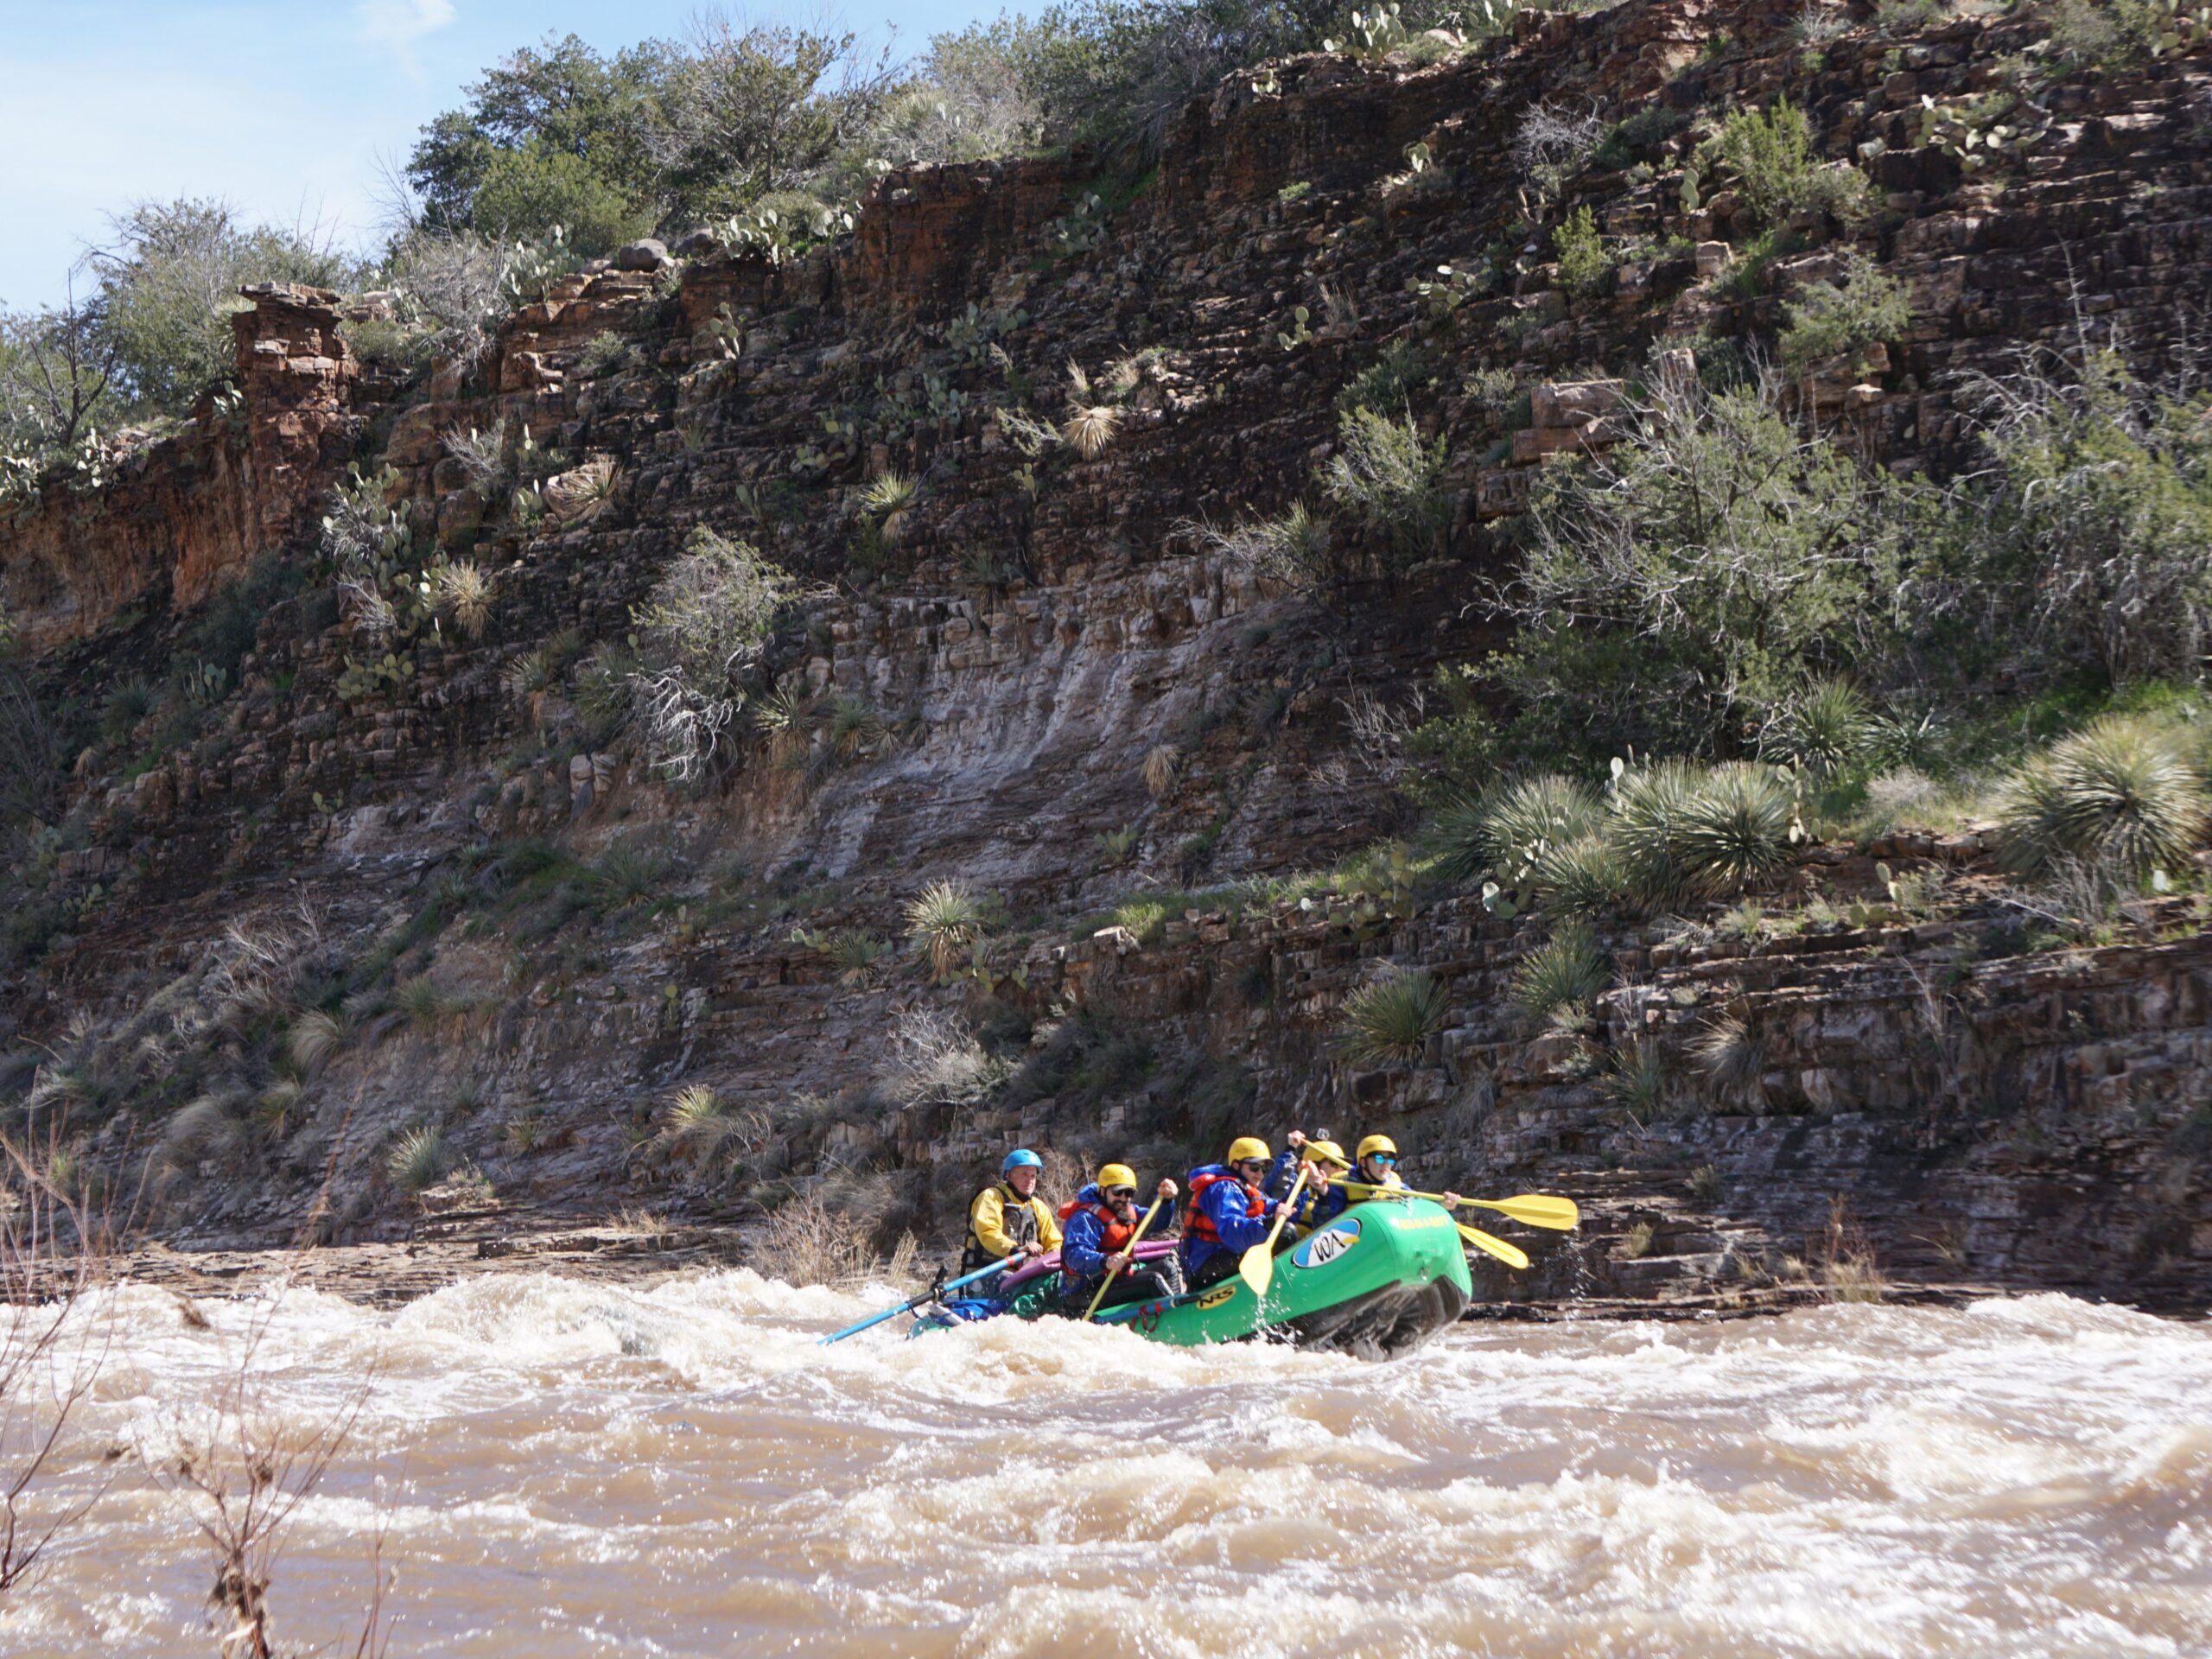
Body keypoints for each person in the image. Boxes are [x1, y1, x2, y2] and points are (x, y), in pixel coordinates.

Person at [1058, 1163, 1184, 1313]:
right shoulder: (1084, 1217)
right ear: (1103, 1191)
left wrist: (1166, 1201)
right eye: (1118, 1192)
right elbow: (1074, 1257)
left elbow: (1159, 1222)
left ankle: (1172, 1308)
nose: (1124, 1198)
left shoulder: (1129, 1211)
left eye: (1129, 1193)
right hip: (1085, 1293)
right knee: (1152, 1280)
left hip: (1115, 1281)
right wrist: (1105, 1261)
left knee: (1167, 1267)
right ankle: (1177, 1314)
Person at [1180, 1136, 1297, 1290]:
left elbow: (1280, 1208)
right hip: (1204, 1265)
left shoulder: (1247, 1190)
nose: (1260, 1174)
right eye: (1255, 1167)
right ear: (1236, 1165)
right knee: (1285, 1233)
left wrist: (1302, 1188)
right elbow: (1232, 1234)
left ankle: (1283, 1285)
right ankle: (1286, 1288)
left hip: (1223, 1255)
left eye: (1264, 1169)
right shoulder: (1225, 1188)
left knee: (1286, 1230)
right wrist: (1268, 1222)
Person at [961, 1148, 1062, 1274]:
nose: (1029, 1180)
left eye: (1033, 1176)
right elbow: (988, 1232)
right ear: (1008, 1175)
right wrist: (1016, 1249)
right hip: (988, 1273)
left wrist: (1053, 1253)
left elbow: (1054, 1240)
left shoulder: (1038, 1207)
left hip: (1022, 1275)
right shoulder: (991, 1197)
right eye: (1023, 1174)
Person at [1346, 1134, 1460, 1209]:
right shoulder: (1343, 1185)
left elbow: (1419, 1203)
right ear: (1362, 1162)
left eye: (1390, 1160)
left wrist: (1443, 1205)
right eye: (1379, 1159)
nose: (1386, 1164)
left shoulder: (1396, 1184)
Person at [1270, 1132, 1355, 1231]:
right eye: (1335, 1164)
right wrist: (1291, 1148)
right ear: (1315, 1165)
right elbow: (1278, 1187)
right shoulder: (1297, 1187)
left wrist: (1324, 1193)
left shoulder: (1343, 1192)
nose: (1340, 1170)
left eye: (1343, 1166)